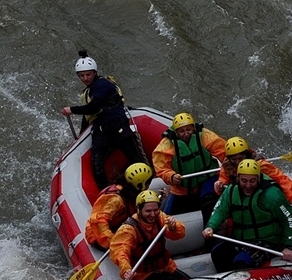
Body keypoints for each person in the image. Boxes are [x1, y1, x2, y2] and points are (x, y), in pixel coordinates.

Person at [60, 50, 146, 188]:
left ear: (94, 73)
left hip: (116, 122)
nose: (85, 78)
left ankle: (146, 181)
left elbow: (94, 107)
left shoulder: (102, 85)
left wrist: (71, 109)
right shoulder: (90, 90)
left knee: (134, 155)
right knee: (97, 161)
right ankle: (104, 190)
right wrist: (81, 134)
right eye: (82, 75)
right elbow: (88, 115)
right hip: (101, 127)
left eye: (88, 74)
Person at [201, 159, 292, 272]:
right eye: (244, 181)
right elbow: (220, 211)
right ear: (238, 179)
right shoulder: (231, 191)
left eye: (252, 181)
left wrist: (289, 246)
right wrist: (211, 226)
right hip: (241, 239)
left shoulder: (272, 195)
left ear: (258, 179)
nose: (248, 185)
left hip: (268, 241)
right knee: (218, 254)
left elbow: (288, 219)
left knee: (242, 261)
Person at [151, 112, 226, 217]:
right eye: (181, 131)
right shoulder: (167, 145)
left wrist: (229, 170)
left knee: (209, 203)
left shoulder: (204, 136)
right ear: (176, 132)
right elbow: (161, 168)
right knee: (167, 216)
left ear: (193, 128)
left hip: (207, 179)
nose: (186, 134)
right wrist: (171, 176)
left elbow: (223, 152)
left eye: (189, 130)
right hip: (182, 188)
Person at [109, 190, 187, 280]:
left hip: (164, 267)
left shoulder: (160, 217)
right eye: (148, 211)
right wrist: (126, 269)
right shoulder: (128, 229)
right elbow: (120, 251)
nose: (153, 214)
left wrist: (174, 227)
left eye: (155, 210)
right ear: (139, 210)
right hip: (142, 275)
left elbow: (179, 235)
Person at [214, 136, 292, 210]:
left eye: (240, 158)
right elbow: (223, 182)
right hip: (242, 200)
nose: (237, 162)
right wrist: (219, 186)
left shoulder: (260, 165)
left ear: (246, 155)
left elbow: (282, 180)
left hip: (261, 198)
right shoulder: (228, 166)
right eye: (234, 159)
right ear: (229, 158)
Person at [84, 162, 152, 251]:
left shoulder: (129, 190)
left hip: (119, 231)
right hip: (100, 237)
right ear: (141, 184)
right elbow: (99, 221)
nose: (148, 186)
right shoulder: (115, 199)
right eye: (148, 184)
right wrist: (114, 243)